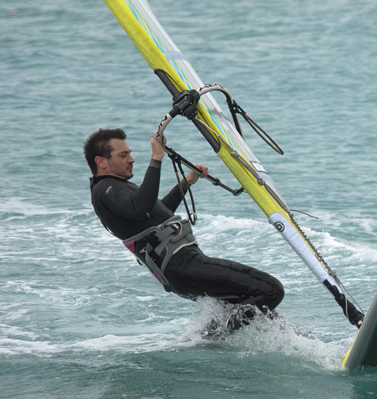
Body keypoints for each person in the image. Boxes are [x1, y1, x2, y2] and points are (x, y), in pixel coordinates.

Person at [83, 125, 284, 333]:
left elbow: (157, 211)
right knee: (270, 290)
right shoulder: (105, 190)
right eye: (123, 155)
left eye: (130, 154)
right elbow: (142, 207)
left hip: (184, 269)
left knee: (260, 312)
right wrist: (156, 158)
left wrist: (187, 182)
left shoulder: (116, 188)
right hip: (183, 267)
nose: (131, 160)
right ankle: (218, 339)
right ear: (101, 162)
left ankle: (209, 336)